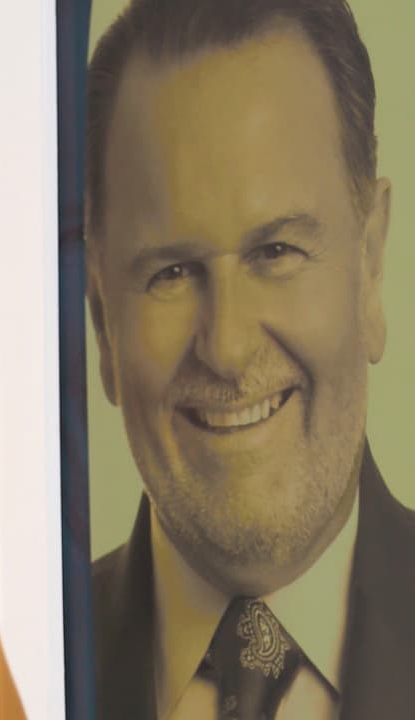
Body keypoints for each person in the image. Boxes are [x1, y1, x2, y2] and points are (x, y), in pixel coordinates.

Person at [84, 1, 415, 718]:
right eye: (171, 271)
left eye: (276, 251)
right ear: (103, 319)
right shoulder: (7, 659)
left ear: (369, 266)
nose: (228, 349)